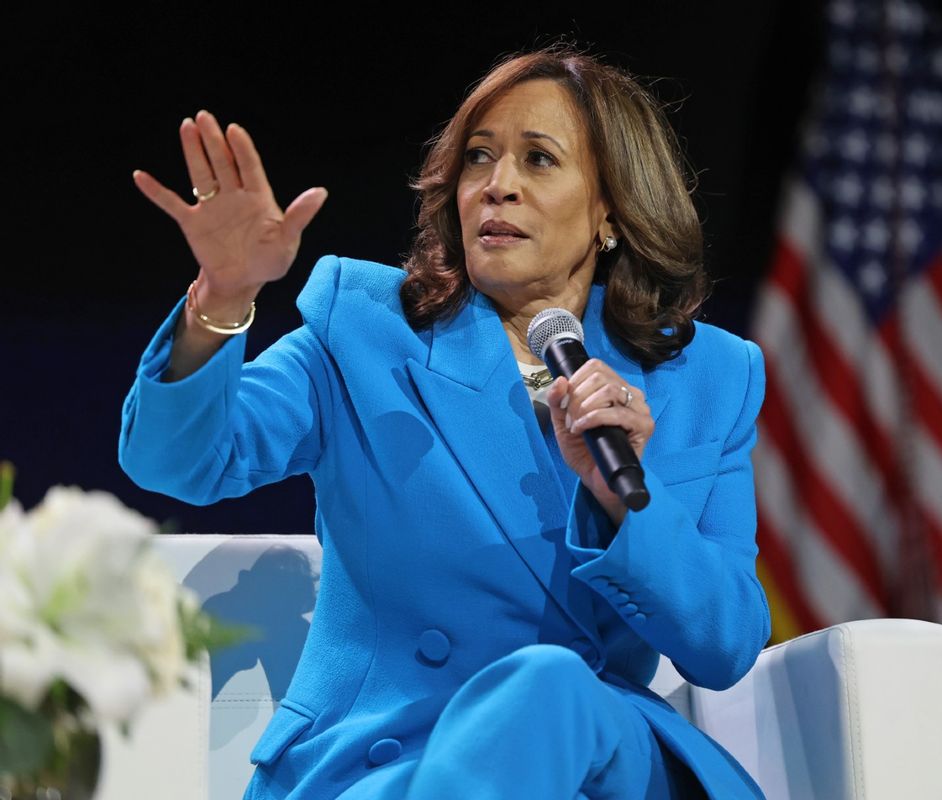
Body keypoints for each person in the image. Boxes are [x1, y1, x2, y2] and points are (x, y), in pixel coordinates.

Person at [120, 46, 770, 799]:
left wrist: (628, 501)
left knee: (554, 684)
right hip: (393, 764)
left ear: (611, 213)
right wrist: (223, 297)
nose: (498, 186)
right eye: (479, 159)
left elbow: (724, 647)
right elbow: (178, 463)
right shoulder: (365, 331)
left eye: (539, 160)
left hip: (600, 758)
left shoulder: (711, 378)